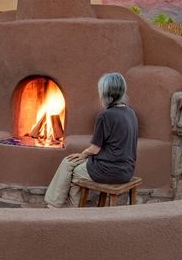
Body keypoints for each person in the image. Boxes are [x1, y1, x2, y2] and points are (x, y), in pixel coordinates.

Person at [44, 72, 138, 208]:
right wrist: (83, 156)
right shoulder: (131, 112)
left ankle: (57, 208)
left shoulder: (105, 116)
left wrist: (83, 154)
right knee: (67, 162)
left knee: (73, 173)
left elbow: (95, 149)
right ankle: (56, 206)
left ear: (105, 93)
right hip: (127, 170)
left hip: (109, 169)